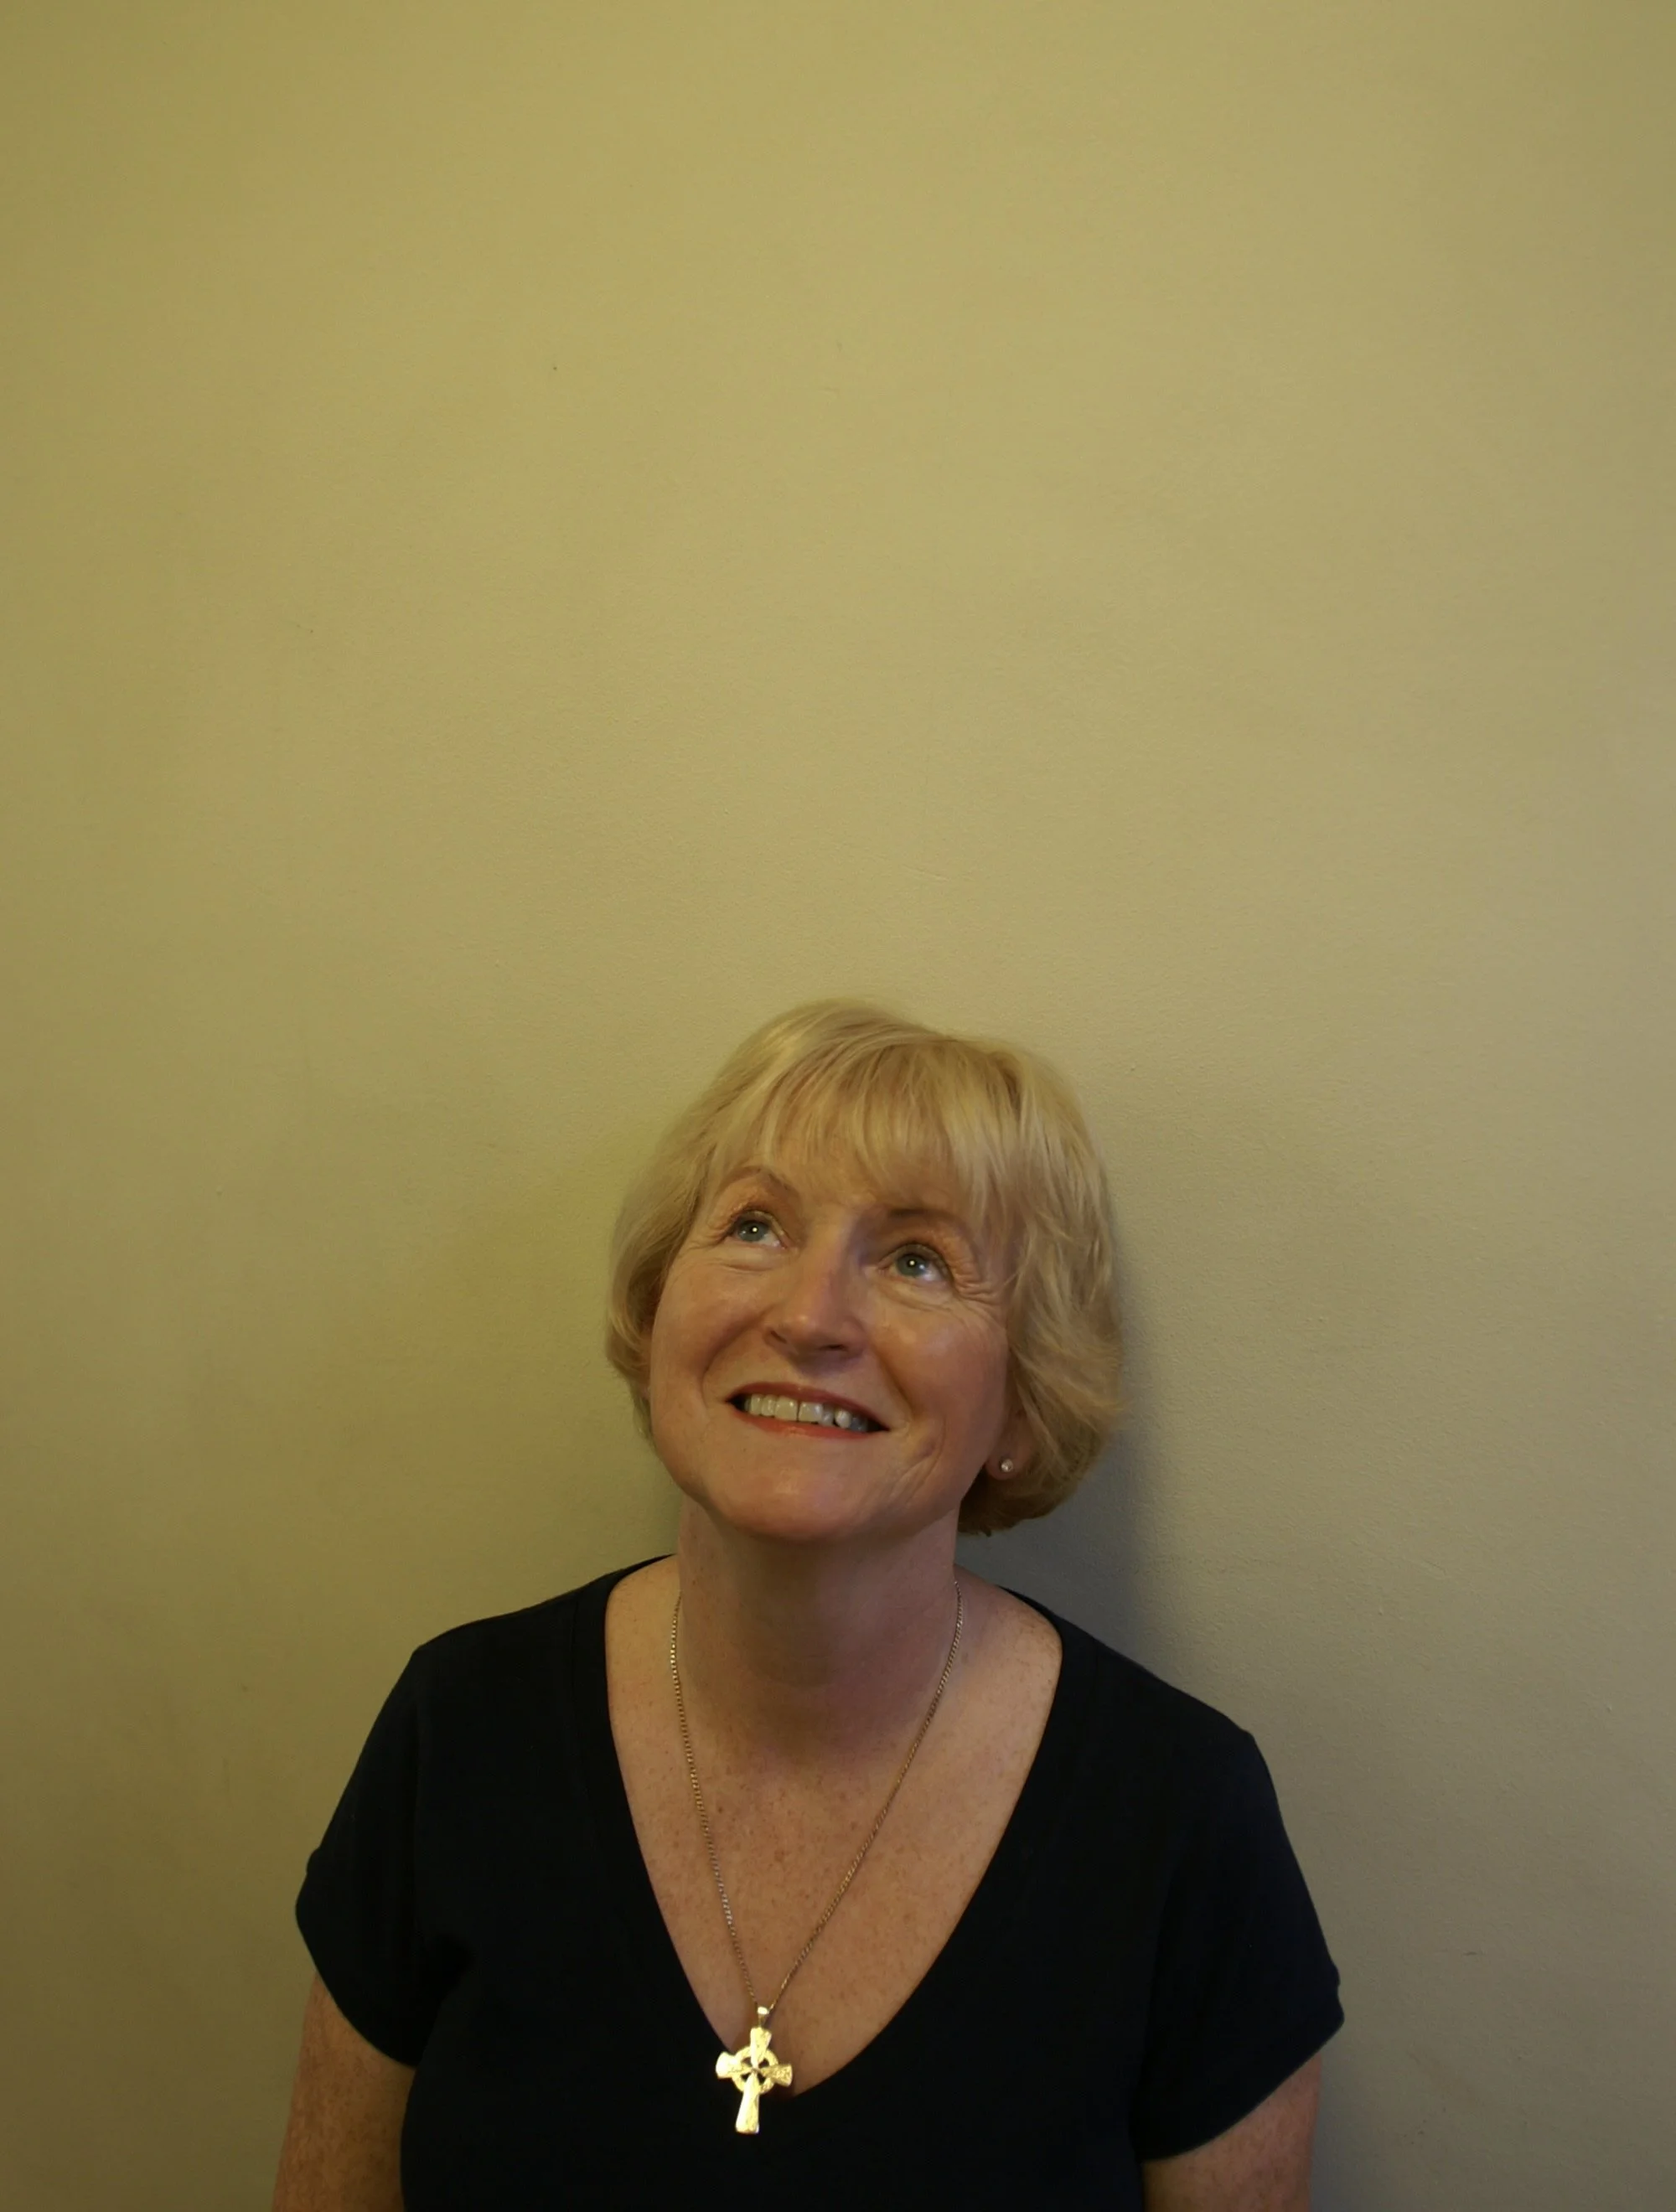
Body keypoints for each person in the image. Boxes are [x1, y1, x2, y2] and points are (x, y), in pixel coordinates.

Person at [272, 1001, 1342, 2209]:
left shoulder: (1182, 1824)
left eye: (918, 1260)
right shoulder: (461, 1729)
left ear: (1023, 1399)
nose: (809, 1316)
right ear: (659, 1314)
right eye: (755, 1226)